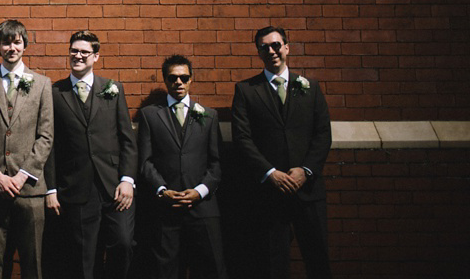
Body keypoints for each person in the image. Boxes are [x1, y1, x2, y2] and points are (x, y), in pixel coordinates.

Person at [231, 26, 332, 279]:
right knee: (273, 262)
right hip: (270, 191)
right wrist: (270, 173)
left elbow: (322, 134)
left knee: (317, 257)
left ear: (287, 47)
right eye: (264, 47)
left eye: (276, 45)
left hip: (307, 189)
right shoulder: (246, 90)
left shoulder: (310, 87)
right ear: (258, 52)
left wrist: (306, 170)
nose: (271, 51)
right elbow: (243, 138)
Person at [44, 31, 137, 279]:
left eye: (84, 52)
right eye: (74, 51)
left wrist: (127, 180)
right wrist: (51, 189)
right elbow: (50, 145)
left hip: (114, 186)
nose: (78, 56)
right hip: (76, 187)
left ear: (96, 56)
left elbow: (127, 139)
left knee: (123, 243)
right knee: (84, 256)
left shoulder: (113, 89)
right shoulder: (55, 92)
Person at [0, 19, 54, 279]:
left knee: (33, 263)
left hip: (29, 190)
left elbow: (46, 135)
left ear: (24, 45)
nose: (11, 47)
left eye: (17, 42)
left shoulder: (41, 83)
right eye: (6, 42)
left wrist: (21, 175)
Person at [137, 55, 226, 279]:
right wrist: (161, 190)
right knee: (165, 271)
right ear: (165, 80)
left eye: (184, 77)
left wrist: (200, 191)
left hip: (203, 208)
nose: (179, 82)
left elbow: (216, 163)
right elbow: (145, 162)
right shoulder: (149, 115)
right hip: (166, 209)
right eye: (173, 78)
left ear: (191, 80)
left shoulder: (209, 115)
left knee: (210, 268)